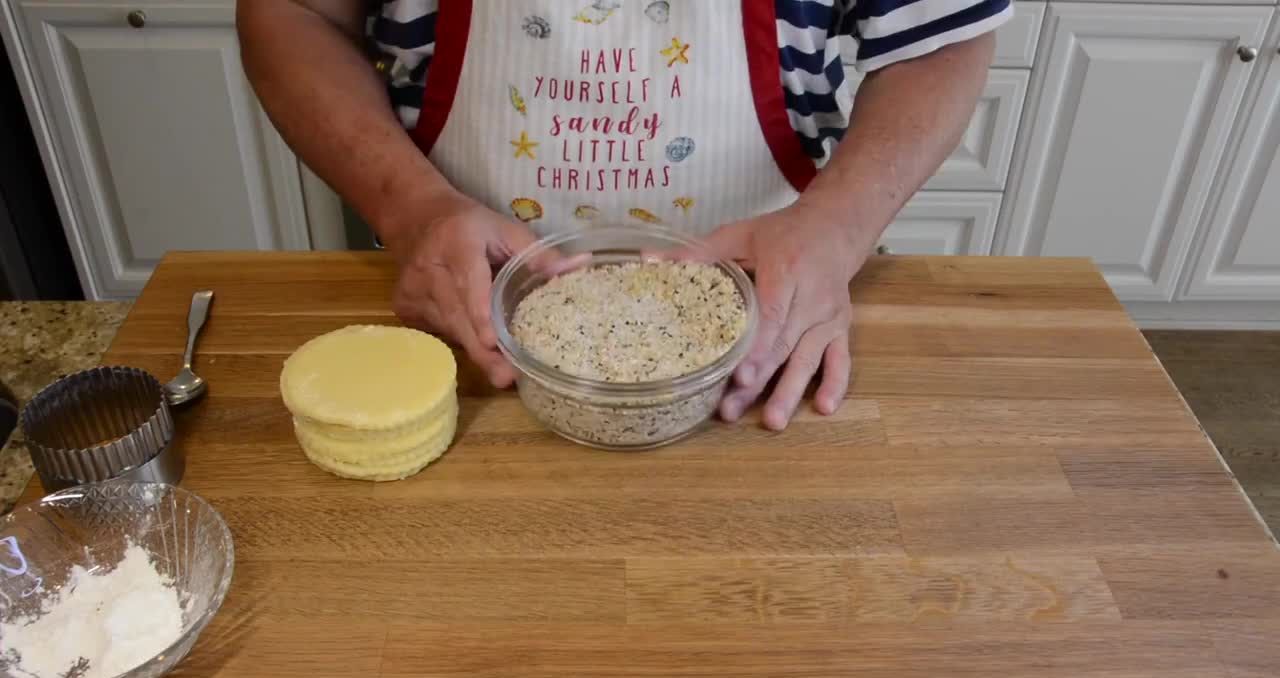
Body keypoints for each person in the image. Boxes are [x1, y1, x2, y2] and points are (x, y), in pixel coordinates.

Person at [238, 0, 1008, 430]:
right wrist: (410, 207)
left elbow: (940, 36)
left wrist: (836, 231)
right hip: (471, 332)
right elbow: (293, 14)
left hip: (770, 334)